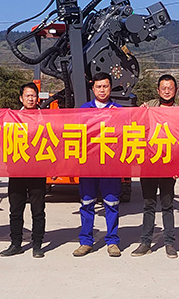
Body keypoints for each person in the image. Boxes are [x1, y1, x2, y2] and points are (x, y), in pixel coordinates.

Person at [73, 72, 123, 257]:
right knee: (87, 203)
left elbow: (126, 135)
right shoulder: (84, 110)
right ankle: (86, 241)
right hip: (88, 164)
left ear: (110, 88)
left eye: (105, 86)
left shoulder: (119, 110)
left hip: (110, 165)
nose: (102, 90)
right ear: (93, 88)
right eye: (99, 87)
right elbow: (74, 134)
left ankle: (112, 241)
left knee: (112, 203)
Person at [132, 74, 179, 258]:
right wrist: (139, 112)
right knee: (148, 204)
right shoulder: (149, 106)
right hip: (149, 163)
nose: (167, 91)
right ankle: (145, 242)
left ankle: (169, 243)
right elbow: (136, 126)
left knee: (167, 205)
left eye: (170, 88)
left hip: (168, 164)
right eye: (163, 88)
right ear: (158, 90)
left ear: (175, 90)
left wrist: (178, 166)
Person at [0, 82, 47, 259]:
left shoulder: (46, 118)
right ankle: (16, 244)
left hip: (37, 169)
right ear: (21, 98)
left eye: (33, 95)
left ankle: (37, 245)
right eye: (27, 95)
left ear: (37, 98)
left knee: (38, 210)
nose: (30, 99)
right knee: (16, 209)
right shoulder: (12, 118)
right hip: (17, 170)